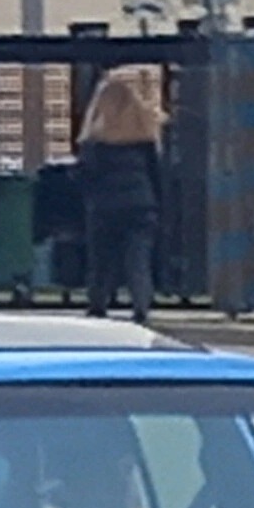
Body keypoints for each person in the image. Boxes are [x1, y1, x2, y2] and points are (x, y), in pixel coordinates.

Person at [77, 72, 165, 325]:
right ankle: (141, 306)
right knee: (138, 259)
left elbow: (86, 175)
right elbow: (157, 174)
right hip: (140, 205)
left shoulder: (95, 138)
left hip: (104, 206)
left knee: (101, 259)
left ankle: (98, 304)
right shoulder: (144, 135)